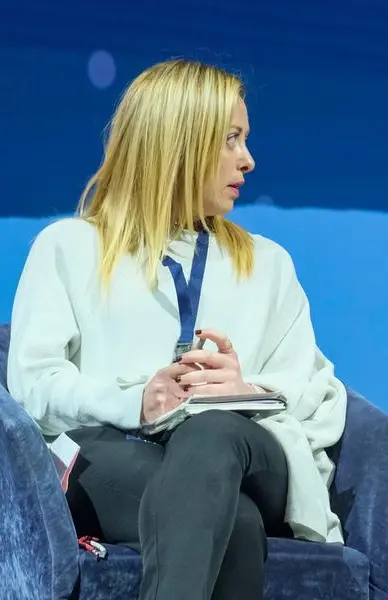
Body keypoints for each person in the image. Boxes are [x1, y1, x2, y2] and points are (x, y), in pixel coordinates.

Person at [7, 59, 347, 600]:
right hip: (112, 448)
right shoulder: (69, 247)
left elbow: (314, 389)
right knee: (234, 524)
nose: (249, 159)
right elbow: (33, 387)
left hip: (245, 451)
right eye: (231, 139)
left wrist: (248, 391)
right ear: (178, 143)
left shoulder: (269, 263)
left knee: (209, 432)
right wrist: (137, 401)